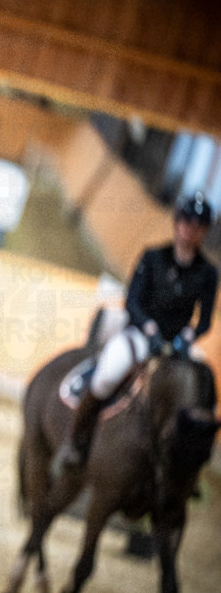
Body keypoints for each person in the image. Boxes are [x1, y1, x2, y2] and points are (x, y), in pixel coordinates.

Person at [57, 191, 218, 470]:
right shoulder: (153, 258)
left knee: (202, 387)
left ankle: (185, 466)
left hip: (178, 343)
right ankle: (77, 440)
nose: (190, 231)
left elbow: (204, 319)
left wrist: (189, 336)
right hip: (141, 337)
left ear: (203, 231)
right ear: (178, 223)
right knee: (107, 376)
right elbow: (133, 300)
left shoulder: (208, 273)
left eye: (198, 226)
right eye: (187, 222)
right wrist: (149, 328)